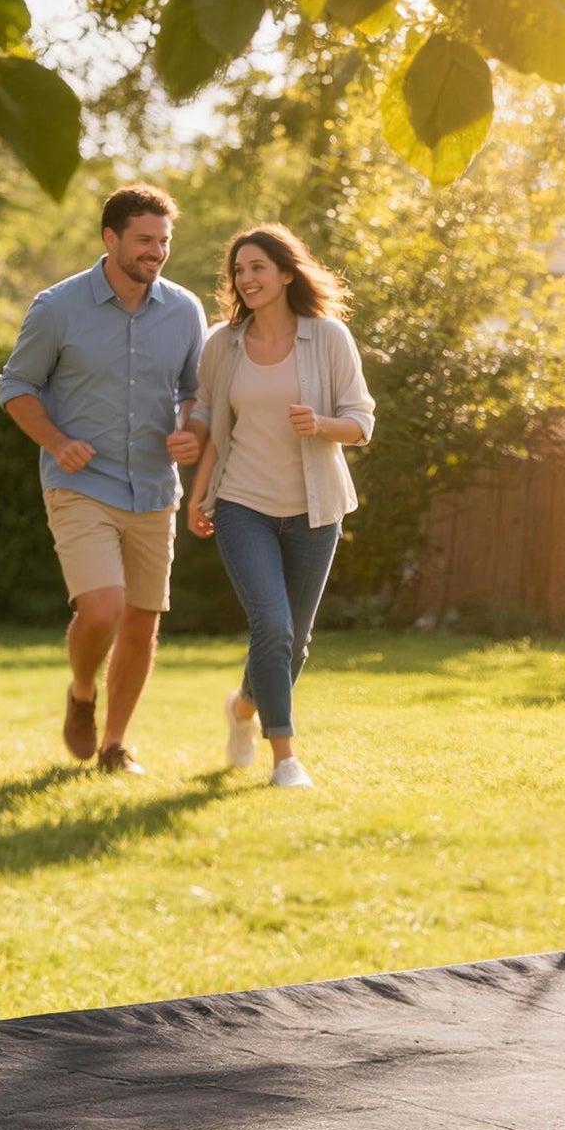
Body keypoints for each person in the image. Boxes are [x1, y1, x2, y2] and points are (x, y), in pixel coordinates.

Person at [0, 183, 208, 776]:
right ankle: (82, 692)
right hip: (81, 483)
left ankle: (115, 745)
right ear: (110, 238)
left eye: (164, 241)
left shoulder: (186, 310)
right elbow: (16, 387)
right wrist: (58, 441)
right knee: (102, 610)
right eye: (145, 240)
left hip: (154, 486)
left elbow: (197, 392)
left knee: (141, 621)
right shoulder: (57, 307)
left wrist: (190, 430)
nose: (157, 252)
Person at [182, 224, 374, 791]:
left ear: (287, 273)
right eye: (238, 270)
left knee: (294, 638)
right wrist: (200, 493)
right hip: (244, 503)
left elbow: (361, 423)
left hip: (317, 510)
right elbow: (217, 422)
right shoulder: (224, 343)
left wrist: (321, 425)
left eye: (257, 267)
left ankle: (243, 707)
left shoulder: (330, 337)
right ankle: (285, 759)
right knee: (271, 623)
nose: (245, 279)